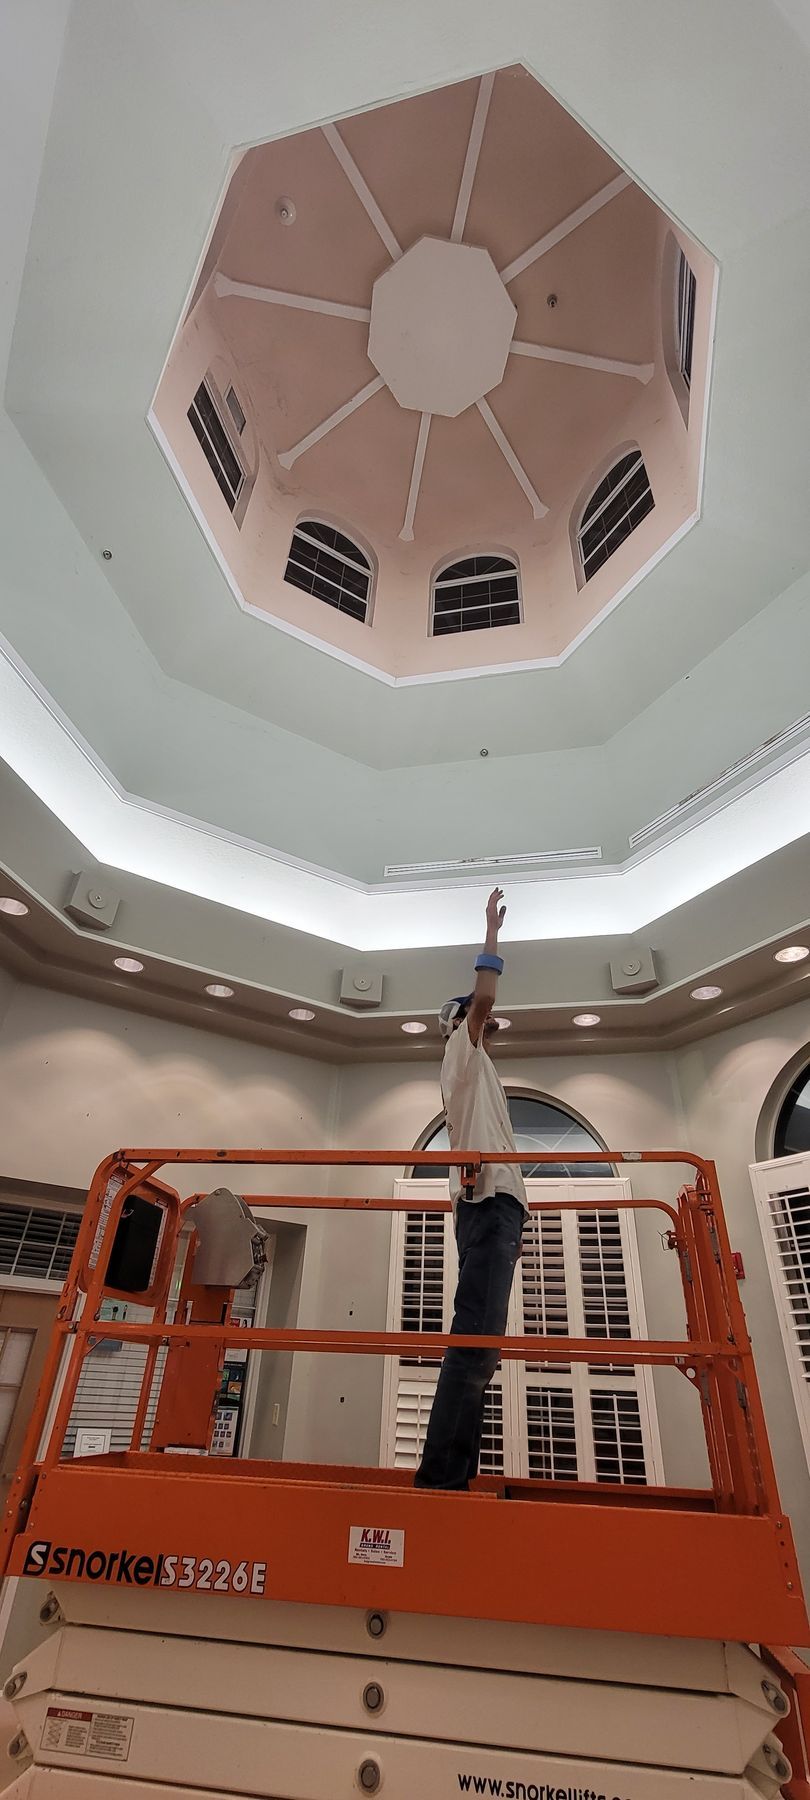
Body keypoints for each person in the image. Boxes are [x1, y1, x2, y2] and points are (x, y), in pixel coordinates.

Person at [414, 887, 527, 1491]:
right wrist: (490, 931)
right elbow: (483, 996)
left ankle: (454, 1475)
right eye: (480, 1018)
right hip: (485, 1208)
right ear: (458, 1022)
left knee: (483, 1348)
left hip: (496, 1211)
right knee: (474, 1343)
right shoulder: (462, 1050)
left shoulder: (481, 1075)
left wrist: (519, 1226)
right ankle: (440, 1481)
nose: (489, 1022)